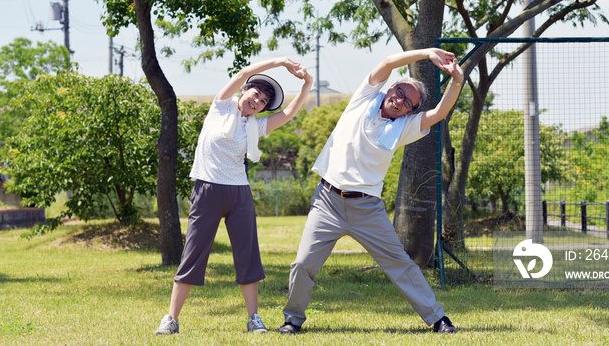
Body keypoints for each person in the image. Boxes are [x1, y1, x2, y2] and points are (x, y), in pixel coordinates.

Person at [279, 48, 464, 335]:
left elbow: (440, 112)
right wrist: (427, 53)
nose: (400, 100)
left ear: (410, 111)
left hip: (367, 208)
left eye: (408, 102)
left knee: (400, 265)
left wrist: (456, 81)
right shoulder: (364, 97)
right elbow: (389, 62)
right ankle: (292, 320)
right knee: (303, 263)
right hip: (327, 201)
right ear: (391, 87)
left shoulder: (404, 127)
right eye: (400, 91)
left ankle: (438, 319)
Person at [155, 57, 313, 335]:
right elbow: (243, 72)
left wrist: (307, 84)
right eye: (256, 94)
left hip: (239, 193)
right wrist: (278, 62)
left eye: (264, 101)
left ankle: (254, 319)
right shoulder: (221, 106)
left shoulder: (255, 126)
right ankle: (171, 319)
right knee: (192, 254)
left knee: (247, 255)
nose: (258, 101)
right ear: (245, 91)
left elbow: (288, 114)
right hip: (207, 189)